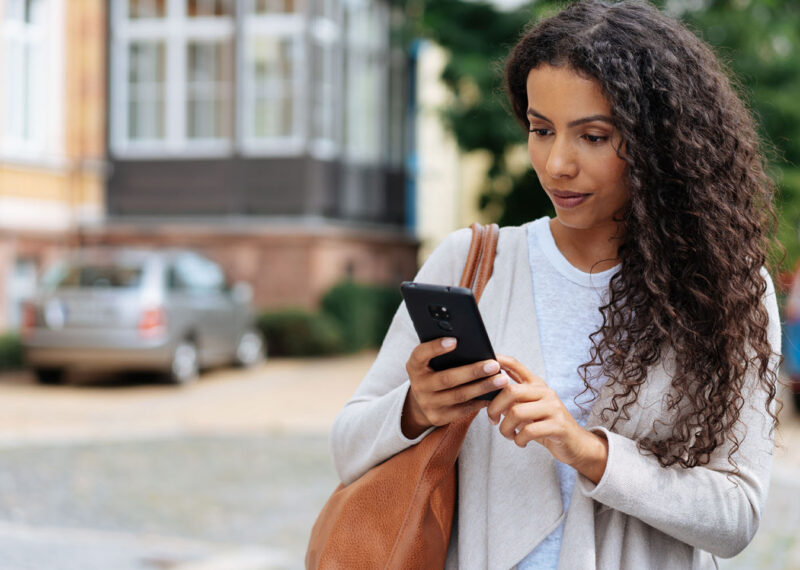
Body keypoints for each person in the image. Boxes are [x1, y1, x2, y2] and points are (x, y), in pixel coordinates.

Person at [330, 1, 782, 568]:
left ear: (662, 144)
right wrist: (416, 408)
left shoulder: (725, 290)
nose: (556, 164)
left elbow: (736, 516)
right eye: (541, 130)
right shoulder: (472, 262)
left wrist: (585, 451)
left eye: (593, 136)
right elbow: (346, 446)